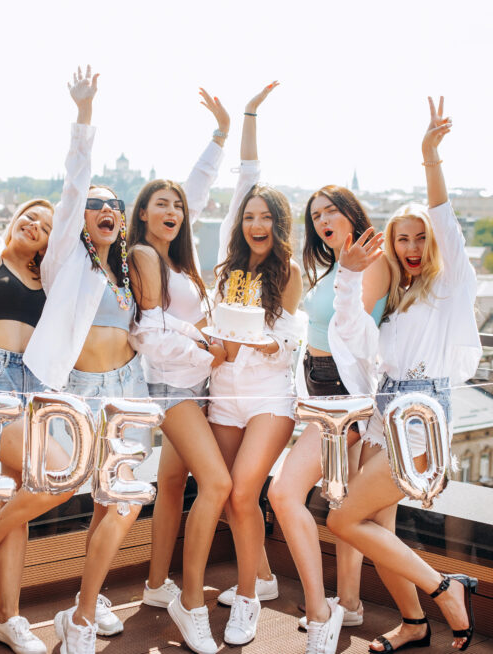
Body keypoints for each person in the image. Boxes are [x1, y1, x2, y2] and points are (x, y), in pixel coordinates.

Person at [0, 73, 93, 654]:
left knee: (31, 493)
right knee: (61, 474)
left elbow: (74, 195)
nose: (36, 224)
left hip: (31, 385)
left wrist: (83, 117)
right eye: (29, 217)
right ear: (13, 224)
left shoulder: (47, 276)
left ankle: (5, 614)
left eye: (46, 225)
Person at [327, 97, 482, 651]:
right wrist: (348, 277)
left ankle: (446, 588)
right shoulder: (396, 299)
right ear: (391, 246)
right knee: (376, 530)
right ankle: (414, 623)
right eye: (402, 238)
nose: (412, 246)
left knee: (343, 521)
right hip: (382, 413)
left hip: (420, 419)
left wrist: (429, 157)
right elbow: (350, 332)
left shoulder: (448, 288)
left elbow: (444, 216)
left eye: (420, 237)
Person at [125, 89, 232, 654]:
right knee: (217, 484)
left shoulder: (174, 259)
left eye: (178, 207)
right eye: (160, 204)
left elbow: (198, 191)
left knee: (170, 485)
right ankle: (191, 604)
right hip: (174, 387)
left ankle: (154, 585)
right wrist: (207, 353)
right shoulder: (145, 256)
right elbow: (149, 335)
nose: (173, 211)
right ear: (142, 212)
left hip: (191, 384)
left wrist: (219, 137)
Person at [266, 183, 390, 653]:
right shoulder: (340, 263)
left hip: (344, 395)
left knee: (283, 492)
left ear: (352, 213)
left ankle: (321, 611)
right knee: (344, 503)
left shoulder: (370, 260)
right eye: (315, 215)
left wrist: (350, 272)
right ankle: (349, 603)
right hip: (320, 388)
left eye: (331, 210)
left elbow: (352, 328)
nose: (322, 220)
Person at [206, 81, 304, 647]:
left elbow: (286, 340)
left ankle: (248, 599)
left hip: (269, 395)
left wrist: (248, 115)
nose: (255, 223)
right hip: (224, 391)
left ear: (278, 223)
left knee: (246, 494)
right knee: (224, 494)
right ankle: (262, 575)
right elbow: (222, 344)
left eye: (265, 216)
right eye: (248, 216)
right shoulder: (228, 269)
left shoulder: (287, 272)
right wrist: (212, 345)